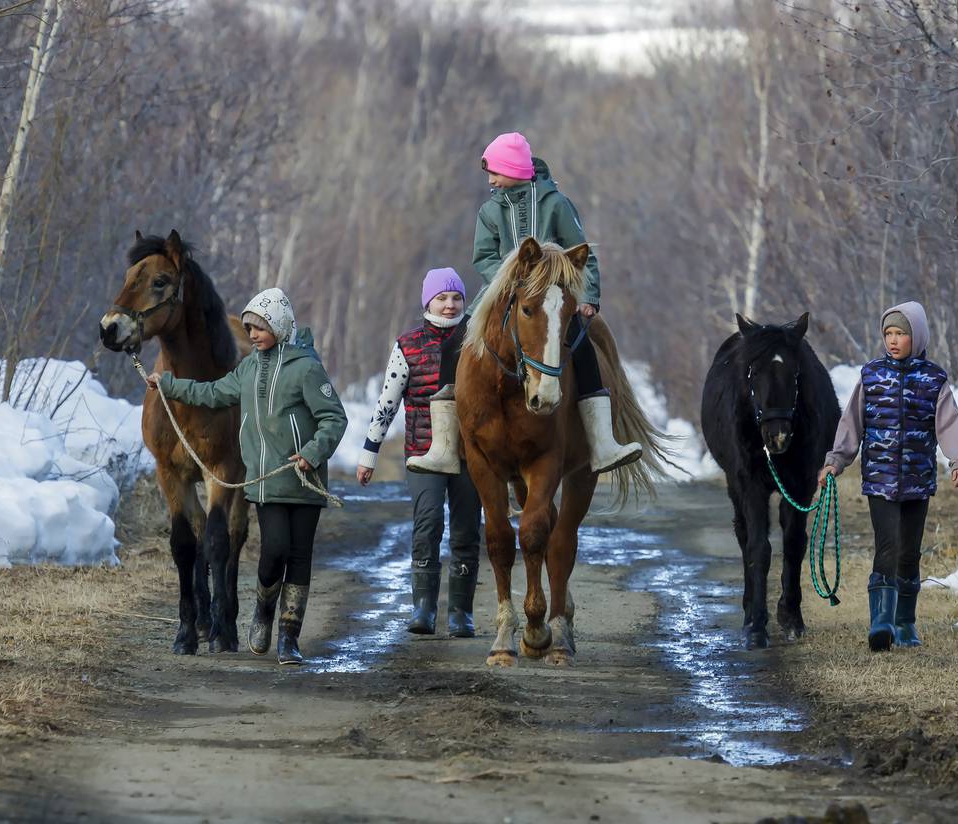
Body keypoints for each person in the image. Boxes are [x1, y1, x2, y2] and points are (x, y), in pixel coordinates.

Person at [407, 131, 640, 476]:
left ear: (515, 169)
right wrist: (506, 281)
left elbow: (582, 253)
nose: (490, 180)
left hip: (552, 295)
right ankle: (442, 447)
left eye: (495, 172)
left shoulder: (556, 204)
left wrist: (589, 296)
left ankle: (602, 441)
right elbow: (483, 256)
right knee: (455, 347)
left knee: (586, 353)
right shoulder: (490, 210)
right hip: (500, 293)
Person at [148, 287, 346, 665]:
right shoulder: (248, 369)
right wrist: (168, 385)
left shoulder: (307, 368)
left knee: (300, 558)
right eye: (250, 327)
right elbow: (211, 393)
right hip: (267, 482)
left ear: (280, 325)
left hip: (305, 482)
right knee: (274, 552)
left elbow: (333, 417)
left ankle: (289, 636)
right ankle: (263, 612)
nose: (252, 334)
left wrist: (312, 453)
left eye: (260, 327)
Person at [817, 302, 958, 652]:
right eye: (888, 333)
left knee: (909, 553)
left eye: (900, 333)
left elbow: (949, 424)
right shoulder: (871, 375)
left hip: (917, 482)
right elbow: (851, 423)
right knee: (887, 546)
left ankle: (905, 622)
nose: (893, 340)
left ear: (915, 336)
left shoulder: (934, 380)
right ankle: (881, 622)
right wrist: (835, 461)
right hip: (880, 479)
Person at [356, 268, 482, 637]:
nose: (450, 305)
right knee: (427, 524)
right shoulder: (408, 345)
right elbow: (387, 402)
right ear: (428, 301)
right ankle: (423, 609)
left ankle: (461, 612)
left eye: (456, 297)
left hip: (469, 455)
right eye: (442, 298)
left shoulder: (478, 339)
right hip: (422, 453)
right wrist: (369, 452)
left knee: (466, 530)